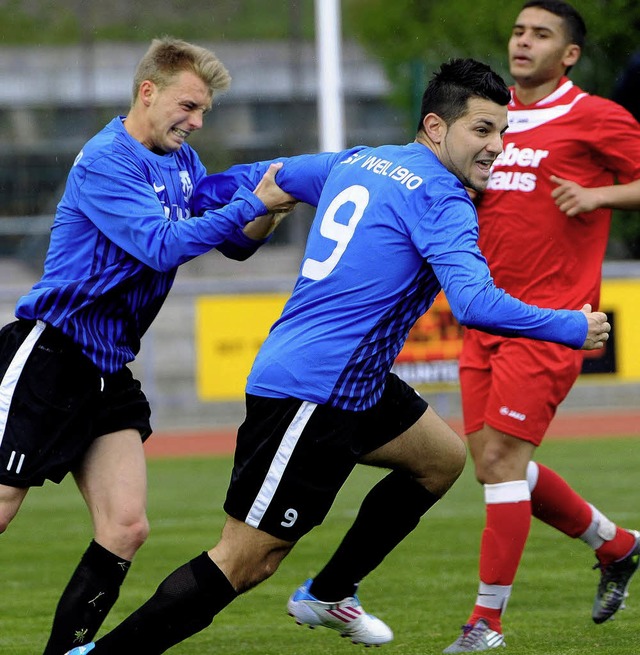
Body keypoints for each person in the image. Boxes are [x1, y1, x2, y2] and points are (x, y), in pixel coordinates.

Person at [63, 57, 611, 655]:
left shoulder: (360, 161)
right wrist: (569, 326)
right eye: (482, 131)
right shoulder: (441, 198)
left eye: (502, 132)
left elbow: (271, 175)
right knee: (246, 561)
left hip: (358, 382)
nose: (496, 147)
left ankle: (329, 591)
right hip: (313, 391)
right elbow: (476, 303)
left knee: (442, 460)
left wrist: (203, 190)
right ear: (435, 127)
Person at [0, 36, 294, 655]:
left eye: (205, 112)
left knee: (126, 528)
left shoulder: (182, 164)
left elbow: (237, 242)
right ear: (148, 92)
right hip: (49, 354)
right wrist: (252, 200)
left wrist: (273, 204)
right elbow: (160, 245)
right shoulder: (108, 159)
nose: (196, 121)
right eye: (188, 106)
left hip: (106, 368)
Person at [442, 1, 640, 651]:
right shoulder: (493, 117)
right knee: (494, 465)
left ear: (570, 54)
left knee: (501, 459)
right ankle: (616, 544)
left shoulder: (597, 118)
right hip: (487, 315)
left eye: (542, 34)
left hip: (556, 320)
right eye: (520, 31)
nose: (524, 42)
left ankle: (486, 622)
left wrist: (599, 195)